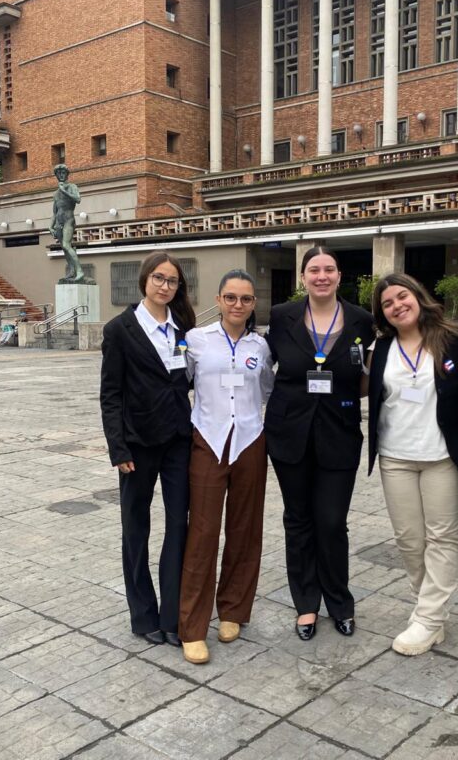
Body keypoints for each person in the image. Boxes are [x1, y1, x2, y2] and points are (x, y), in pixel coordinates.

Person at [365, 274, 458, 656]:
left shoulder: (450, 337)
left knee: (443, 537)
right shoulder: (380, 348)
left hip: (442, 458)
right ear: (382, 314)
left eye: (403, 296)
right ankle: (428, 613)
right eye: (387, 303)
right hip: (396, 457)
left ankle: (427, 620)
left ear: (418, 296)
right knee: (409, 540)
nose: (397, 305)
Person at [266, 246, 374, 640]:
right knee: (299, 521)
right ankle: (306, 605)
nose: (322, 276)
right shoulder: (281, 317)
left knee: (331, 522)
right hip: (289, 433)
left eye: (329, 269)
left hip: (339, 433)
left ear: (339, 276)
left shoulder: (363, 321)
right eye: (314, 270)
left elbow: (363, 377)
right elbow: (266, 369)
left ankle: (340, 603)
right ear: (303, 277)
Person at [100, 251, 196, 647]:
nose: (165, 286)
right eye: (159, 278)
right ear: (145, 280)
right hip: (136, 445)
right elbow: (111, 393)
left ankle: (173, 615)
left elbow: (184, 378)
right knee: (136, 530)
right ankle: (143, 615)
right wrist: (117, 448)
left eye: (172, 281)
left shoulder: (183, 326)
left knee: (179, 526)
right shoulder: (120, 329)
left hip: (177, 440)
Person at [178, 270, 274, 665]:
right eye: (231, 297)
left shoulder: (262, 346)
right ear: (218, 300)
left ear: (253, 304)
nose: (238, 305)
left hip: (250, 439)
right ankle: (193, 626)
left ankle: (233, 610)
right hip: (207, 439)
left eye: (246, 299)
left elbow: (265, 387)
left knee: (245, 528)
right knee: (202, 532)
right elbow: (182, 382)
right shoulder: (197, 341)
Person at [50, 164, 88, 284]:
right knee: (64, 249)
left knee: (67, 245)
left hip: (68, 220)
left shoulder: (72, 187)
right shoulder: (55, 194)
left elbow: (78, 199)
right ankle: (72, 271)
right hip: (59, 223)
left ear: (67, 174)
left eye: (63, 173)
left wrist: (64, 191)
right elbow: (55, 212)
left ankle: (80, 271)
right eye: (58, 173)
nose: (60, 175)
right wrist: (50, 226)